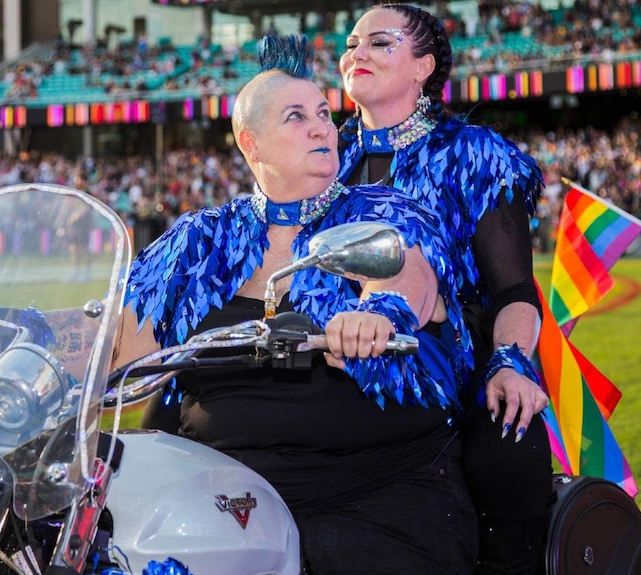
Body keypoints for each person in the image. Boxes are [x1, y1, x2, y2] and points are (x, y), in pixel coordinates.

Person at [112, 39, 479, 575]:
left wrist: (379, 317)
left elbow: (407, 275)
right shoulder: (201, 236)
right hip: (217, 498)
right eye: (296, 116)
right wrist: (34, 342)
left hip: (368, 495)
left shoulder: (381, 209)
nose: (322, 127)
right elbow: (119, 342)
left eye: (326, 115)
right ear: (251, 143)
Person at [336, 5, 552, 574]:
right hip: (343, 355)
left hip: (463, 364)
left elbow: (514, 292)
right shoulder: (325, 157)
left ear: (423, 67)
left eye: (379, 44)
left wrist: (508, 365)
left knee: (508, 448)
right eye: (352, 42)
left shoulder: (473, 153)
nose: (356, 53)